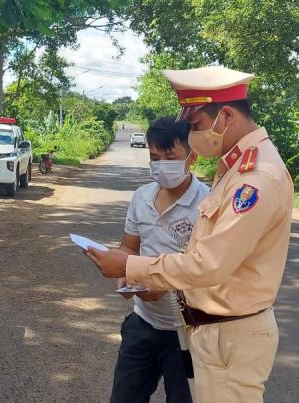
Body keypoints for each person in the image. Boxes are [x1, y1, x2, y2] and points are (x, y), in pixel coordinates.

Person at [86, 66, 294, 403]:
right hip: (210, 331)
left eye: (196, 126)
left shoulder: (257, 177)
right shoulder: (236, 169)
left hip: (229, 335)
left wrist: (131, 267)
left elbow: (208, 264)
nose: (194, 134)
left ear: (226, 116)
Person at [110, 117, 208, 403]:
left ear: (192, 157)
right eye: (155, 157)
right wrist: (123, 274)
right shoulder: (141, 197)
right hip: (143, 323)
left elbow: (209, 269)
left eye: (170, 157)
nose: (162, 164)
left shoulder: (208, 204)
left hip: (188, 332)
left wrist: (166, 285)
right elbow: (128, 247)